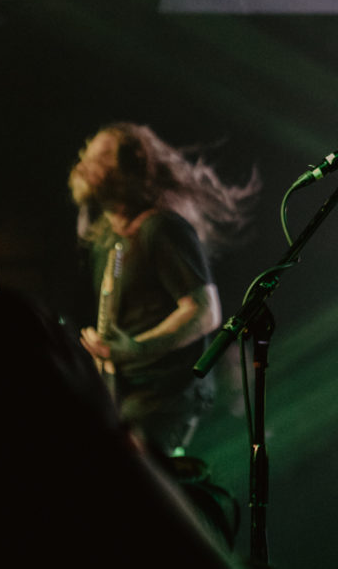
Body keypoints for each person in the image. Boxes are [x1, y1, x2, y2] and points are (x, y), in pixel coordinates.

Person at [69, 122, 257, 457]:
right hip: (128, 396)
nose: (85, 162)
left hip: (166, 397)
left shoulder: (161, 228)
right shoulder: (106, 239)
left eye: (100, 155)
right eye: (86, 153)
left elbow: (204, 311)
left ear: (131, 168)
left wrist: (136, 348)